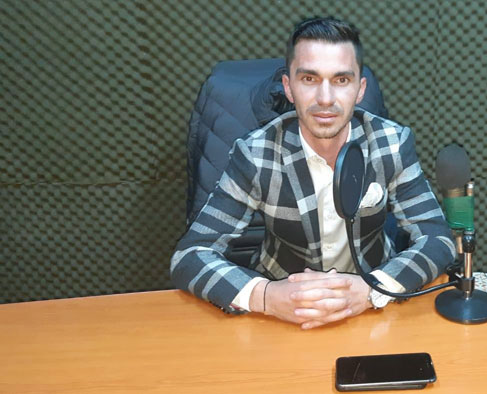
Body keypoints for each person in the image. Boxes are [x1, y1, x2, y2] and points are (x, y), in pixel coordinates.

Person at [170, 17, 456, 329]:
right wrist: (266, 296)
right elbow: (190, 255)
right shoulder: (255, 153)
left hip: (372, 307)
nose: (325, 99)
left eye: (341, 80)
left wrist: (373, 289)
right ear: (288, 87)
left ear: (360, 90)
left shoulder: (392, 143)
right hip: (281, 311)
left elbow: (438, 239)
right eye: (309, 79)